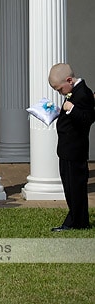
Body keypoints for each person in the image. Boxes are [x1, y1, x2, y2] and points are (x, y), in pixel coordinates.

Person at [48, 62, 95, 232]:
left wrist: (72, 108)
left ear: (69, 80)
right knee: (70, 187)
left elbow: (87, 117)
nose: (60, 93)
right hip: (67, 149)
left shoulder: (83, 93)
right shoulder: (74, 92)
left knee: (75, 188)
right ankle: (78, 220)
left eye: (60, 89)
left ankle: (75, 221)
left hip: (75, 150)